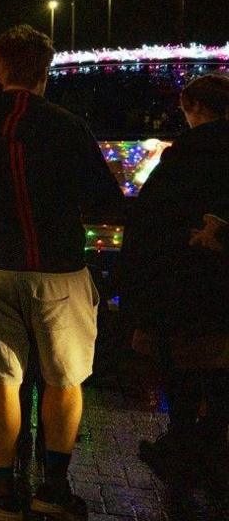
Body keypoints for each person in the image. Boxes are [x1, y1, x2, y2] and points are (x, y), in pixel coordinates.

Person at [0, 24, 123, 521]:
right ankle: (54, 488)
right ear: (45, 71)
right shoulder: (68, 126)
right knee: (65, 379)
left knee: (0, 379)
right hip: (60, 272)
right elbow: (106, 199)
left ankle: (2, 489)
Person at [120, 74, 229, 464]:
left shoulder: (187, 152)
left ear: (195, 107)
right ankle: (215, 439)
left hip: (188, 275)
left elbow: (155, 216)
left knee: (183, 359)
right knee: (221, 365)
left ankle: (181, 441)